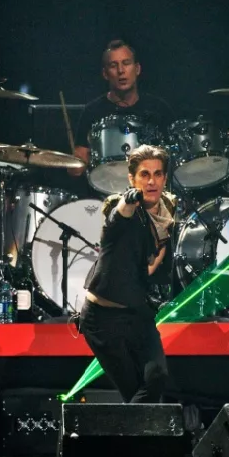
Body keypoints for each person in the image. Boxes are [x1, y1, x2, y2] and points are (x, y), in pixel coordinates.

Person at [78, 144, 177, 403]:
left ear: (164, 178)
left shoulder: (166, 219)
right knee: (135, 393)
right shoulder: (124, 211)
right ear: (132, 179)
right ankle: (132, 430)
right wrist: (129, 201)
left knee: (156, 378)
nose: (151, 181)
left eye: (157, 174)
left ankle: (140, 428)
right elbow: (118, 215)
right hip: (103, 319)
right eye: (144, 174)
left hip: (138, 314)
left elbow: (155, 269)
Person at [68, 40, 176, 184]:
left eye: (126, 63)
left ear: (137, 69)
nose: (121, 70)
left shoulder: (158, 108)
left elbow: (175, 155)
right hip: (107, 187)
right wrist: (75, 165)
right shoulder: (92, 111)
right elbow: (80, 159)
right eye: (113, 65)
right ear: (105, 73)